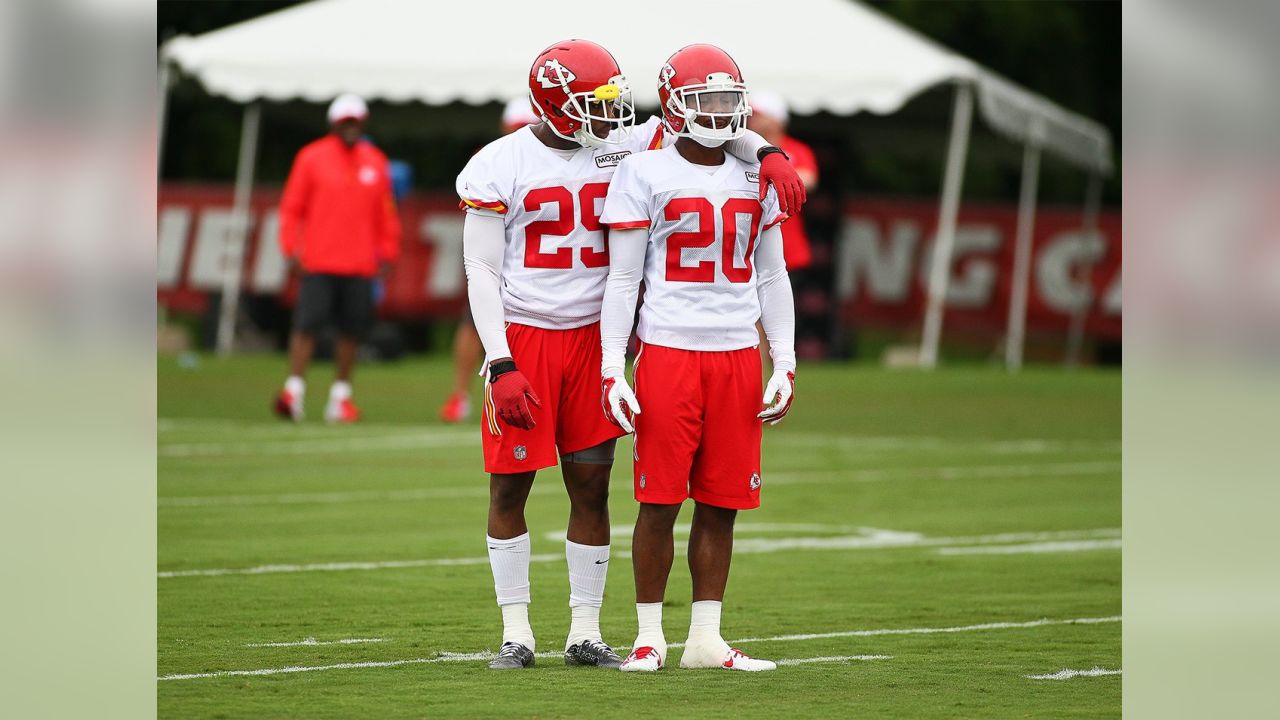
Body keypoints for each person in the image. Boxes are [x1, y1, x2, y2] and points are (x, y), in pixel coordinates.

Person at [457, 39, 805, 670]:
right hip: (528, 332)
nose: (611, 114)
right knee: (509, 487)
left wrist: (770, 150)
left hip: (596, 335)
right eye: (594, 102)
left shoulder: (625, 147)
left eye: (613, 100)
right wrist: (500, 358)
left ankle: (584, 629)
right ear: (554, 102)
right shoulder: (498, 162)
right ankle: (516, 630)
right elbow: (480, 268)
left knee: (591, 484)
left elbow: (710, 125)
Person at [598, 43, 797, 673]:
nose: (720, 111)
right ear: (676, 105)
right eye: (705, 99)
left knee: (722, 503)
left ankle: (706, 638)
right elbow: (623, 281)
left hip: (738, 355)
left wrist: (784, 360)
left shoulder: (755, 171)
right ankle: (649, 636)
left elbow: (773, 276)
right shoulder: (642, 170)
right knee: (658, 501)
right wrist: (612, 367)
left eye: (728, 99)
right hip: (669, 353)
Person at [273, 93, 401, 423]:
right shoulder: (311, 158)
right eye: (345, 121)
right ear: (333, 124)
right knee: (306, 327)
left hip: (360, 264)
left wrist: (388, 250)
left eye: (356, 121)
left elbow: (386, 214)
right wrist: (291, 247)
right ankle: (294, 391)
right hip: (318, 261)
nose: (351, 127)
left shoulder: (375, 161)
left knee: (351, 332)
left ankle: (340, 398)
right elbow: (292, 208)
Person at [440, 100, 541, 424]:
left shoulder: (554, 160)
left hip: (535, 271)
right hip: (498, 259)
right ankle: (459, 394)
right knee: (473, 324)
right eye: (515, 127)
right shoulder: (493, 160)